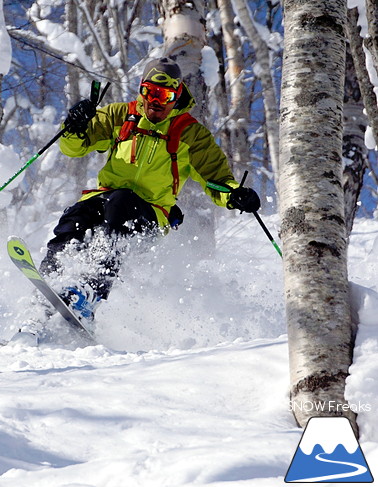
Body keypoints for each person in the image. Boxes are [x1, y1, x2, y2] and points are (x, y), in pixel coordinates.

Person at [23, 57, 261, 337]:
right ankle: (44, 295)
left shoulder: (190, 134)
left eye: (165, 95)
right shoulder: (120, 115)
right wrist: (75, 126)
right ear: (142, 89)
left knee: (121, 204)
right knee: (76, 218)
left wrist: (235, 195)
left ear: (177, 95)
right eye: (150, 92)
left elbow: (217, 180)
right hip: (105, 198)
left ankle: (89, 292)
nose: (156, 101)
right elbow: (74, 147)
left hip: (152, 213)